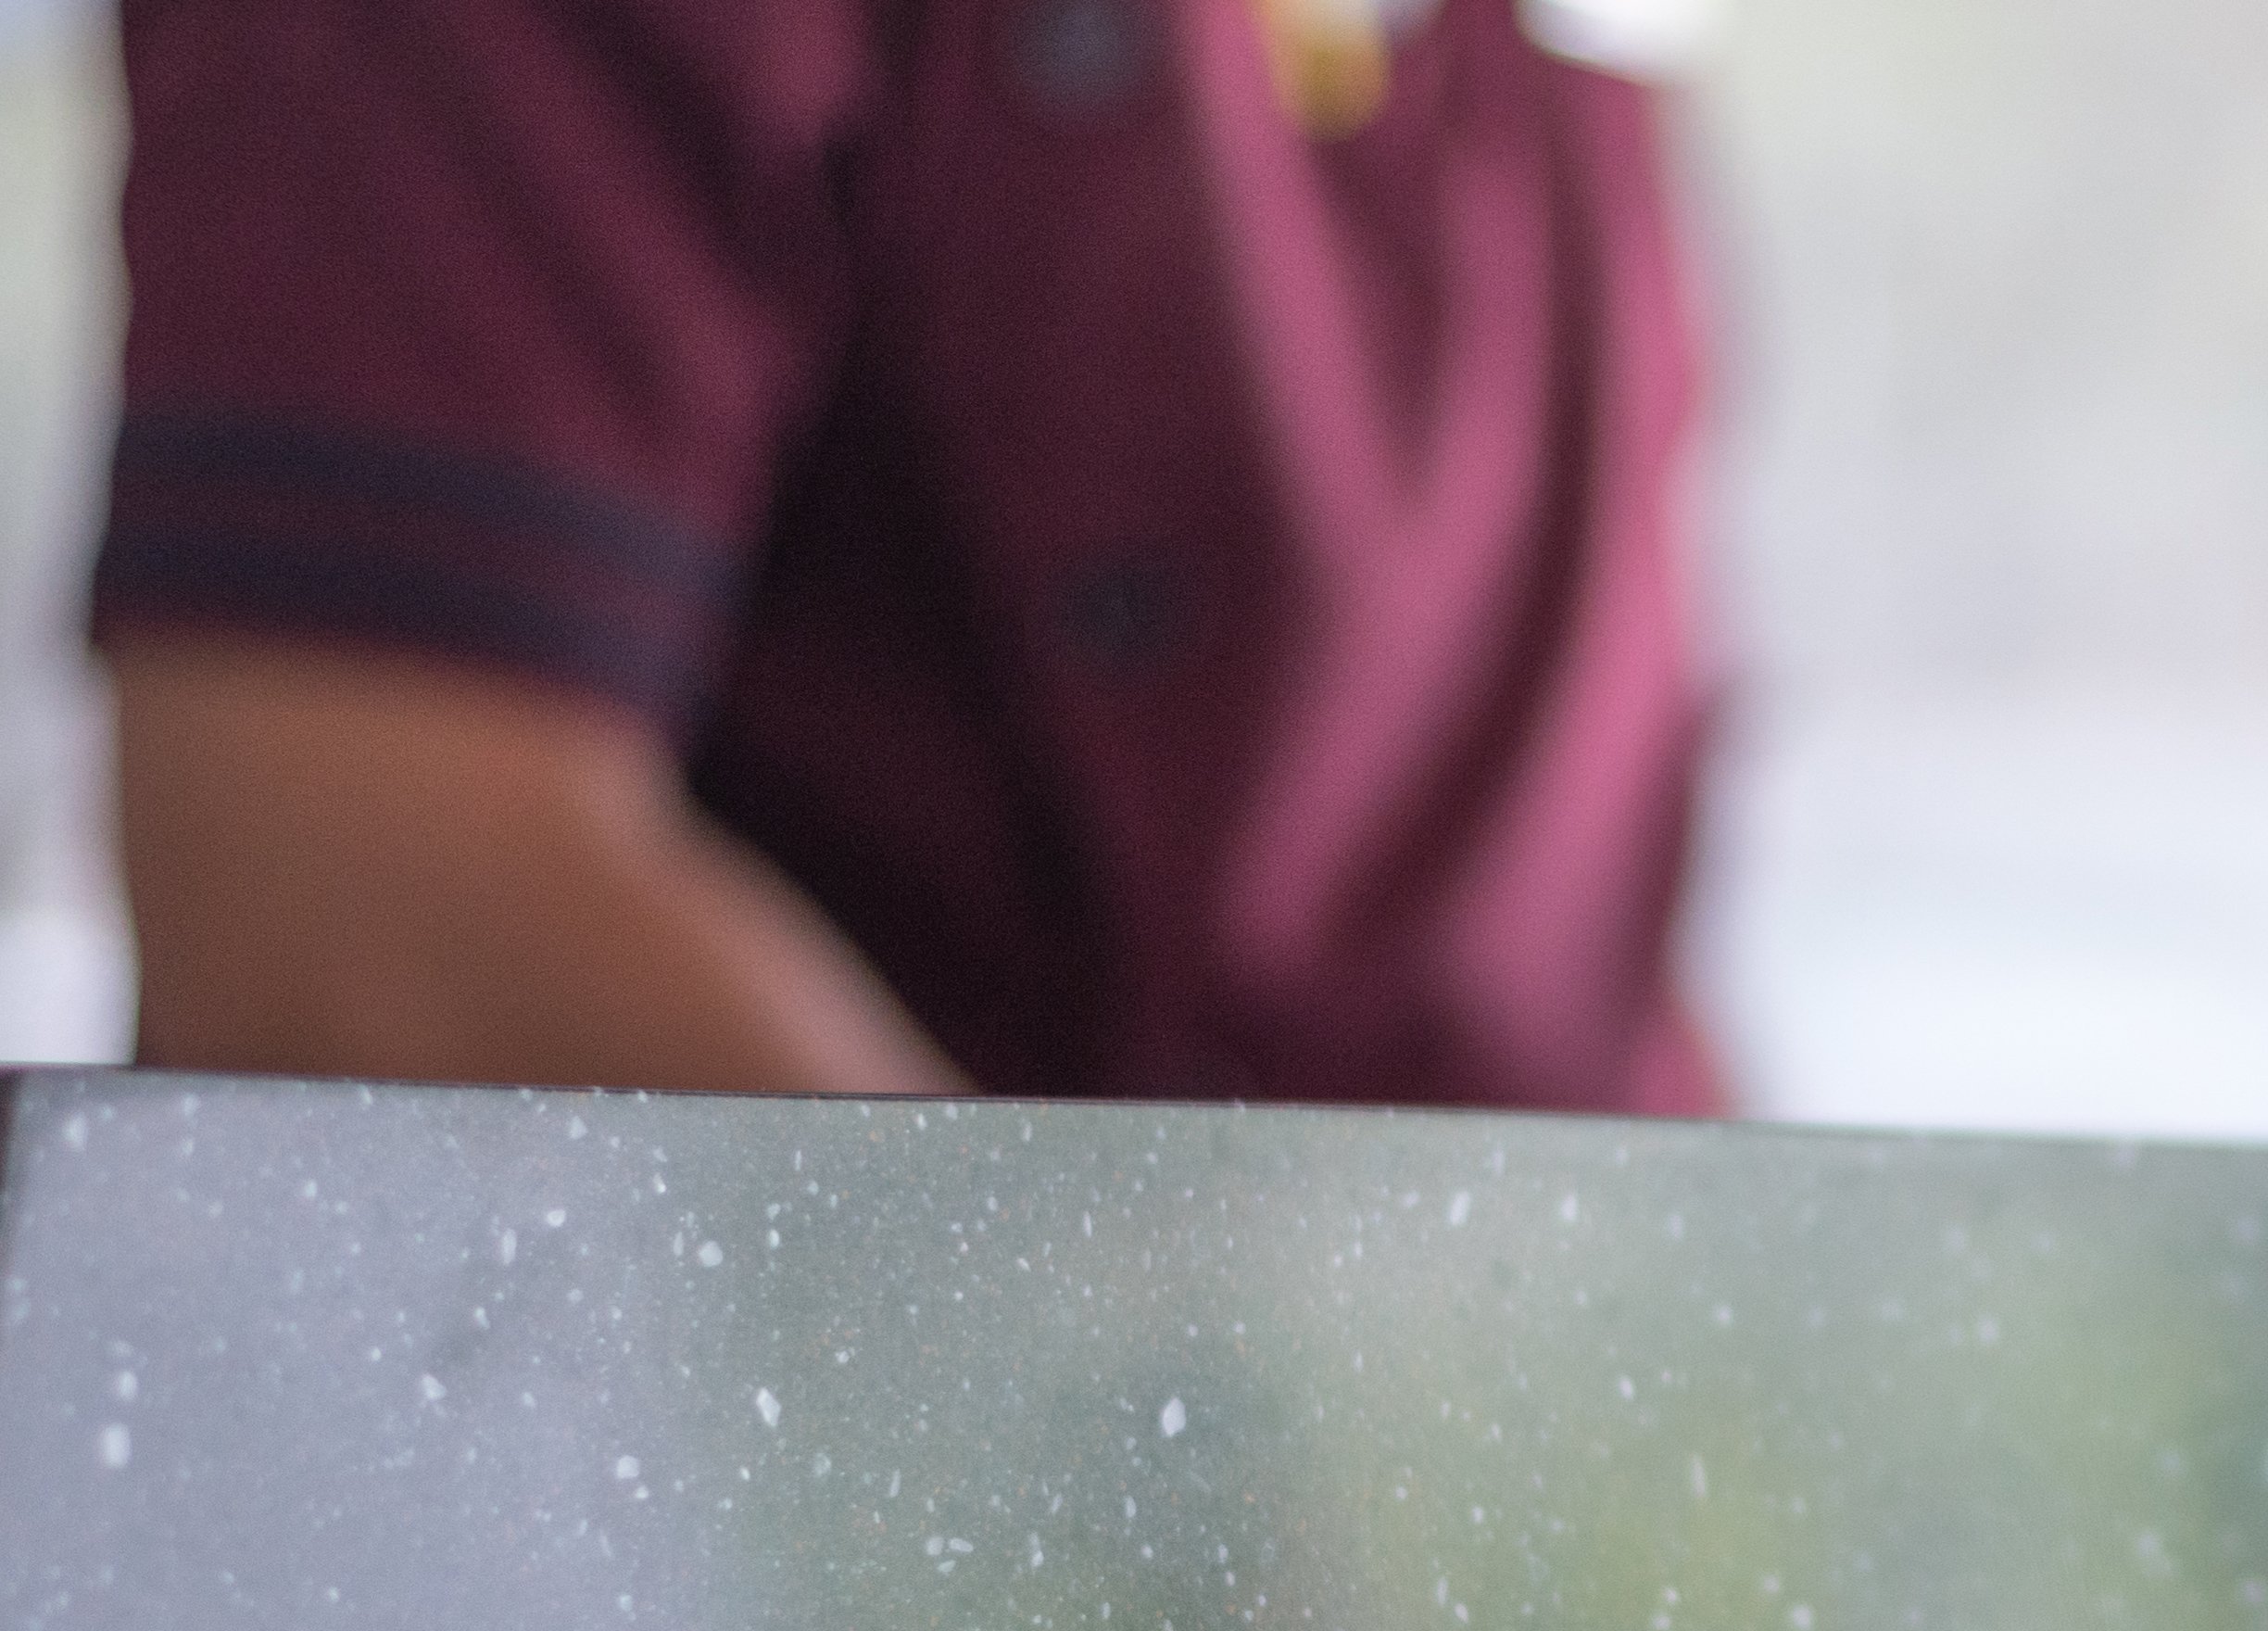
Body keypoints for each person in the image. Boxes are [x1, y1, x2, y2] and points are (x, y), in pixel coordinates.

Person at [92, 0, 1723, 1112]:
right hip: (740, 1565)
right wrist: (1160, 1499)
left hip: (1515, 1510)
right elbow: (344, 904)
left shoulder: (1553, 75)